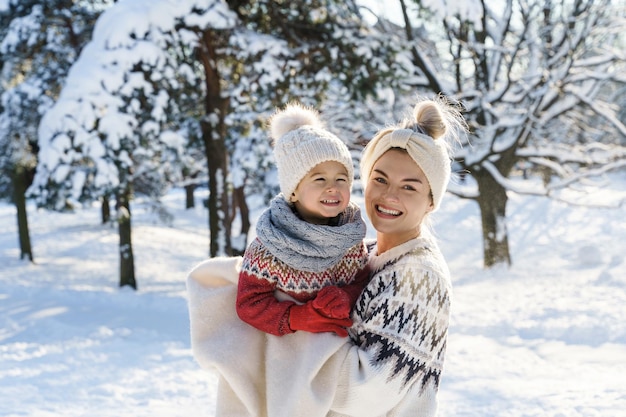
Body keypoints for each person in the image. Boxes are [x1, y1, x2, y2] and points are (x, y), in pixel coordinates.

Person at [186, 96, 466, 417]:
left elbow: (364, 392)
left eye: (410, 187)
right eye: (380, 179)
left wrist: (276, 329)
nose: (389, 195)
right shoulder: (366, 254)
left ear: (432, 201)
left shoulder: (419, 277)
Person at [236, 102, 370, 338]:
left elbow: (361, 280)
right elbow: (249, 304)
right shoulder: (270, 247)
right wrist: (297, 317)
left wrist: (346, 295)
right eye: (319, 179)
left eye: (341, 179)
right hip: (290, 352)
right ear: (293, 191)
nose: (333, 188)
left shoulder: (350, 238)